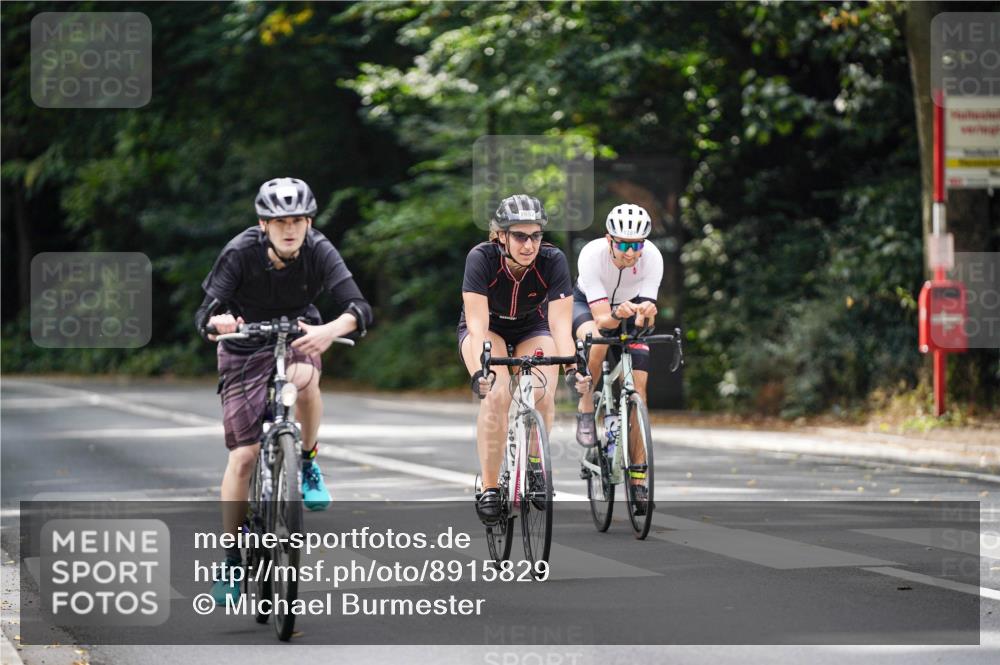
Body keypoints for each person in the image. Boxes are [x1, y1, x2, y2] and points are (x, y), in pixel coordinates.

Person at [194, 177, 373, 604]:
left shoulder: (319, 249)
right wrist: (218, 323)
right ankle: (232, 558)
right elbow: (205, 313)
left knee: (306, 380)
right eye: (280, 222)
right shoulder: (240, 252)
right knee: (243, 456)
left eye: (298, 220)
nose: (290, 229)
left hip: (299, 336)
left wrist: (330, 330)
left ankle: (307, 462)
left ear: (309, 222)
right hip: (242, 343)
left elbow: (359, 308)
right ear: (263, 224)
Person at [459, 194, 591, 524]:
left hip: (533, 324)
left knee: (543, 386)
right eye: (520, 236)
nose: (529, 245)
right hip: (489, 327)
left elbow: (561, 325)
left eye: (535, 235)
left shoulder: (553, 260)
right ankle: (490, 487)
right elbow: (477, 326)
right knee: (498, 396)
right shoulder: (481, 258)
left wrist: (573, 364)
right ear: (500, 236)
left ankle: (535, 464)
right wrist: (480, 371)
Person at [572, 203, 662, 512]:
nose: (630, 252)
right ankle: (586, 407)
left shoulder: (653, 258)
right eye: (623, 243)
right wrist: (615, 312)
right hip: (590, 306)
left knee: (639, 391)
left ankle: (637, 481)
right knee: (594, 342)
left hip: (629, 307)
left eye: (637, 244)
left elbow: (646, 318)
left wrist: (647, 314)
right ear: (609, 239)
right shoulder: (591, 255)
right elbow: (601, 320)